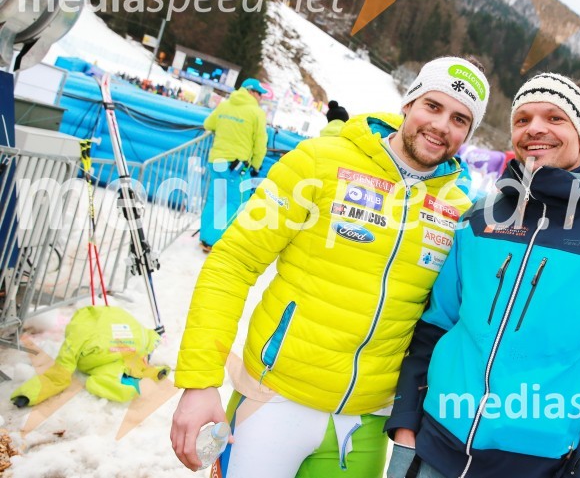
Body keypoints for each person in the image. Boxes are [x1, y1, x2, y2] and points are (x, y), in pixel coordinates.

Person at [171, 56, 491, 477]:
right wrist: (199, 381)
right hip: (272, 399)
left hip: (365, 422)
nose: (441, 125)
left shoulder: (458, 211)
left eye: (459, 119)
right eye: (432, 106)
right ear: (408, 103)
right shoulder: (319, 162)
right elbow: (233, 262)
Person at [385, 72, 580, 478]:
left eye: (554, 117)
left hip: (535, 466)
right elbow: (436, 326)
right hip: (433, 448)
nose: (534, 128)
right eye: (522, 119)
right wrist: (407, 422)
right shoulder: (480, 218)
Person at [199, 78, 268, 252]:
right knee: (237, 203)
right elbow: (260, 143)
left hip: (216, 161)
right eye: (259, 93)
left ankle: (204, 237)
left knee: (215, 199)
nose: (261, 97)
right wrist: (256, 165)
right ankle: (212, 239)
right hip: (236, 167)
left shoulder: (225, 105)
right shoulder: (256, 113)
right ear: (251, 91)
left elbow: (208, 124)